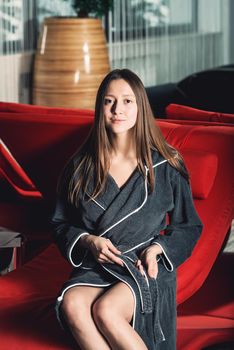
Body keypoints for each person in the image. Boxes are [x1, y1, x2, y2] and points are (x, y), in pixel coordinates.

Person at [52, 68, 203, 350]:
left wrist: (159, 250)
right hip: (98, 264)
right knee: (72, 305)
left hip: (143, 265)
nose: (117, 109)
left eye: (127, 101)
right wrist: (88, 240)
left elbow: (188, 225)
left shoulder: (166, 164)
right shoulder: (80, 167)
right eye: (109, 101)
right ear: (100, 108)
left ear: (140, 107)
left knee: (106, 311)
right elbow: (60, 223)